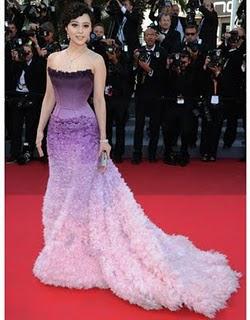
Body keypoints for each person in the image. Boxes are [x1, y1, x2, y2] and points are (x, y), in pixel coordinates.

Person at [32, 2, 240, 319]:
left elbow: (99, 100)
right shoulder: (53, 59)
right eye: (75, 25)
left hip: (86, 132)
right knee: (61, 189)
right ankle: (66, 243)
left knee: (82, 191)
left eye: (86, 26)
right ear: (65, 27)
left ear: (91, 29)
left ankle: (85, 248)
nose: (80, 31)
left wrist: (104, 138)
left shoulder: (97, 60)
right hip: (58, 134)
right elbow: (49, 96)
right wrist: (39, 130)